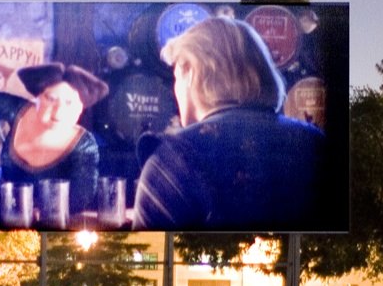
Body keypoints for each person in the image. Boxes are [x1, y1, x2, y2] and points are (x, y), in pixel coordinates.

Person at [132, 17, 326, 230]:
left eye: (176, 77)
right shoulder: (317, 141)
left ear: (190, 72)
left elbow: (148, 250)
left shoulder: (174, 159)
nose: (174, 90)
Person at [0, 62, 107, 223]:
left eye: (69, 102)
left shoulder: (84, 145)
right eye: (50, 99)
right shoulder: (18, 110)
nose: (58, 111)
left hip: (48, 221)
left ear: (80, 108)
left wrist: (41, 211)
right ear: (36, 98)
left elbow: (81, 197)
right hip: (1, 205)